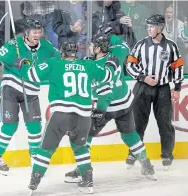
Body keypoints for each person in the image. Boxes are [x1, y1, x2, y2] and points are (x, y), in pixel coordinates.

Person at [15, 41, 117, 195]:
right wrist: (111, 66)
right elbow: (107, 76)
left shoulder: (54, 63)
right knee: (80, 148)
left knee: (46, 149)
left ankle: (34, 182)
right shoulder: (87, 65)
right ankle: (88, 181)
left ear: (62, 53)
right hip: (83, 117)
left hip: (61, 115)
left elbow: (31, 75)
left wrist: (23, 65)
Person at [63, 34, 156, 184]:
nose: (91, 47)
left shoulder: (96, 67)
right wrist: (109, 36)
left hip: (105, 106)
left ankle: (82, 170)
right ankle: (147, 166)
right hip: (125, 104)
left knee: (85, 137)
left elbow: (101, 92)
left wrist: (99, 111)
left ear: (99, 48)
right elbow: (124, 44)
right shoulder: (117, 52)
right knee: (129, 135)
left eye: (94, 45)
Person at [0, 19, 60, 175]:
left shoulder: (46, 46)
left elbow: (59, 59)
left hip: (32, 90)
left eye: (39, 32)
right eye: (34, 32)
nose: (38, 35)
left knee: (35, 126)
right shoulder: (14, 44)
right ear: (27, 32)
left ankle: (34, 159)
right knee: (10, 125)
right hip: (11, 87)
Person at [126, 14, 184, 170]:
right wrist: (143, 77)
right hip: (142, 88)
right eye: (148, 26)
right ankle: (133, 153)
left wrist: (177, 88)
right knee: (138, 124)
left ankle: (166, 155)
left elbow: (177, 67)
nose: (149, 29)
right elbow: (130, 65)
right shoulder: (140, 45)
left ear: (160, 28)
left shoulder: (171, 46)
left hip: (162, 90)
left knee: (165, 124)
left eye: (152, 26)